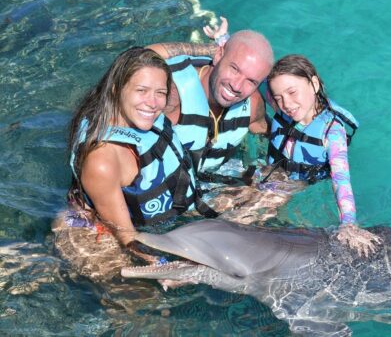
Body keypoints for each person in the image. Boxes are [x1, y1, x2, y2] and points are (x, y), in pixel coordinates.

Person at [53, 47, 198, 281]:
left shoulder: (143, 116)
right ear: (116, 89)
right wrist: (167, 267)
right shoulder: (103, 160)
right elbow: (127, 237)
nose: (153, 103)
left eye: (160, 92)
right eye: (141, 90)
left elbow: (161, 53)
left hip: (164, 218)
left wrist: (217, 45)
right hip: (98, 237)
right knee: (142, 309)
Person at [265, 54, 381, 257]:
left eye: (293, 92)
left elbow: (341, 180)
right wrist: (224, 41)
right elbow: (249, 76)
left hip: (295, 184)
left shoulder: (331, 132)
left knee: (248, 213)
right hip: (270, 172)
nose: (287, 104)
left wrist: (348, 223)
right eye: (278, 98)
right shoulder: (283, 105)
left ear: (314, 84)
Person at [146, 18, 273, 196]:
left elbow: (272, 135)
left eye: (251, 81)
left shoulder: (253, 105)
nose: (237, 86)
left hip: (211, 184)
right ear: (219, 55)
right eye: (234, 69)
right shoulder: (171, 93)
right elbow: (139, 58)